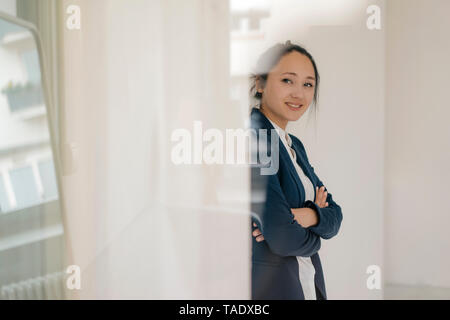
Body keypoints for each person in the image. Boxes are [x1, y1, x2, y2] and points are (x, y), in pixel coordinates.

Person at [249, 40, 343, 300]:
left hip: (305, 283)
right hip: (275, 289)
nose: (299, 94)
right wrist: (316, 232)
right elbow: (281, 234)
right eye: (287, 81)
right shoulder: (257, 138)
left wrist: (306, 215)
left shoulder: (293, 145)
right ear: (260, 83)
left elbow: (335, 215)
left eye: (308, 84)